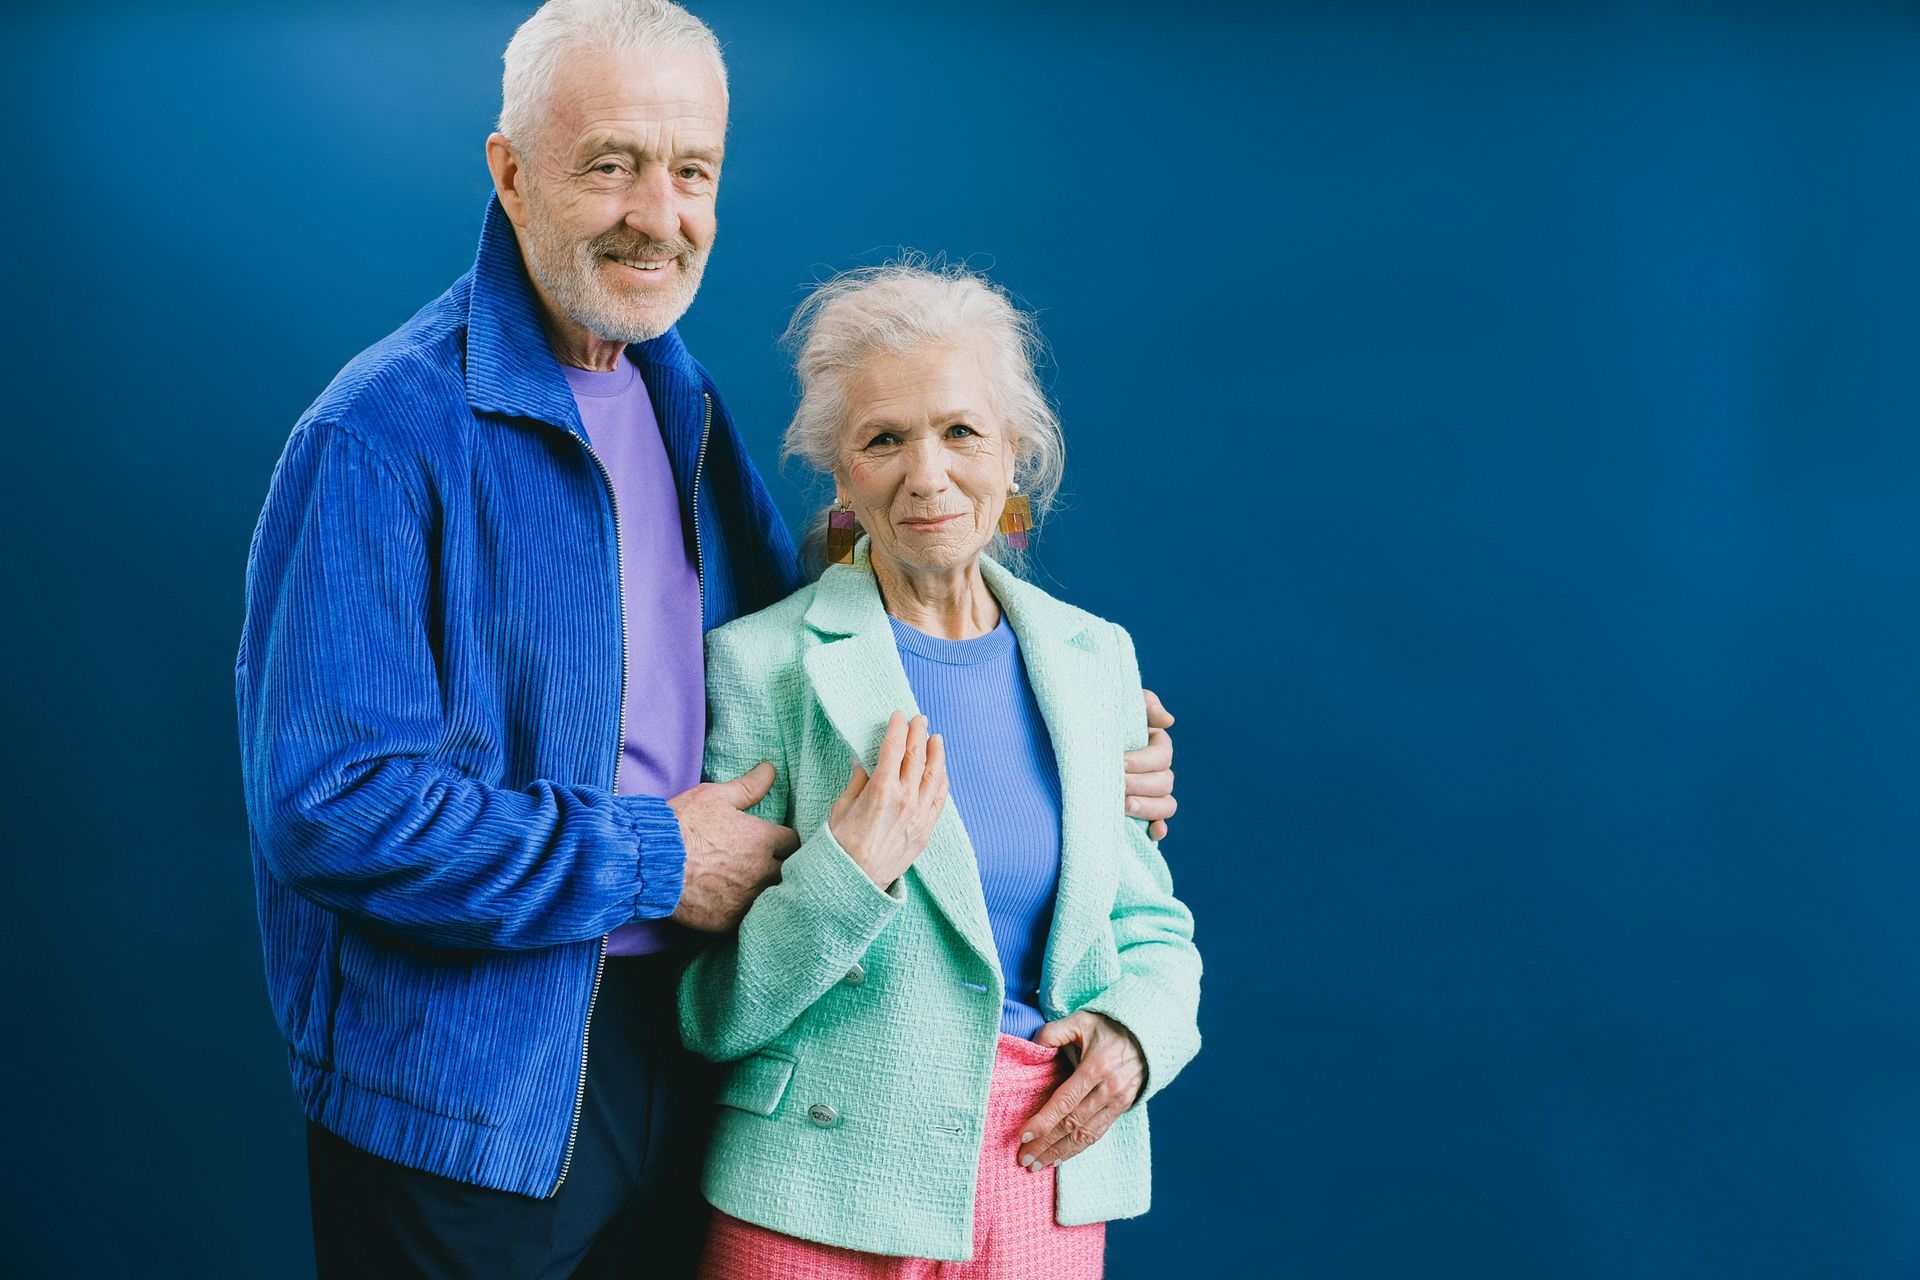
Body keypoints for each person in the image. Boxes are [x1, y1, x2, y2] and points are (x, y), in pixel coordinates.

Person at [234, 2, 1180, 1276]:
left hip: (687, 1063)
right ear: (511, 173)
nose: (656, 212)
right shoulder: (382, 435)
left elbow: (826, 633)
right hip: (468, 1088)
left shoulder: (676, 396)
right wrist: (652, 859)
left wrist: (1068, 742)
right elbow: (328, 809)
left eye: (692, 173)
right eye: (611, 163)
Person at [680, 262, 1203, 1279]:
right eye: (885, 437)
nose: (927, 474)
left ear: (1016, 453)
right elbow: (709, 1013)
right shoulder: (759, 667)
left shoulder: (1097, 663)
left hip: (1039, 1177)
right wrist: (847, 869)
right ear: (841, 469)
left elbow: (1152, 929)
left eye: (961, 431)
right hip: (813, 1197)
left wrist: (1137, 1037)